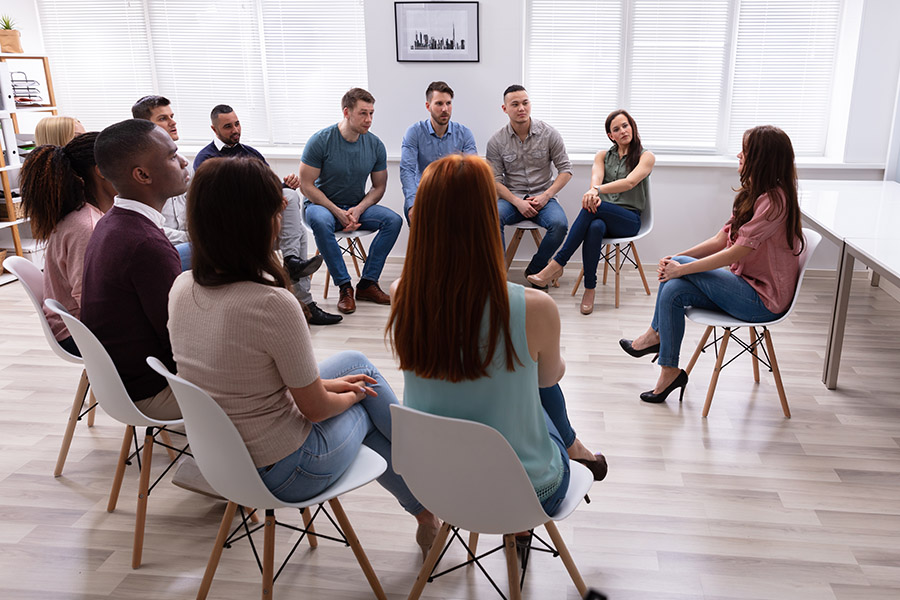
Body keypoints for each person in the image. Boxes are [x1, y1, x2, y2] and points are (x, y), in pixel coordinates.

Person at [167, 156, 441, 559]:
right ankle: (428, 496)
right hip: (285, 469)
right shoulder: (272, 304)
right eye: (275, 208)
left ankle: (427, 500)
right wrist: (353, 396)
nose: (282, 216)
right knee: (367, 399)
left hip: (221, 458)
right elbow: (314, 409)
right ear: (255, 221)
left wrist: (339, 386)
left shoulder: (181, 285)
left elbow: (257, 379)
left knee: (354, 364)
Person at [388, 154, 608, 521]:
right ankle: (572, 448)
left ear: (423, 218)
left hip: (434, 485)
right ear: (488, 219)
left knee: (519, 375)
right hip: (526, 491)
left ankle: (571, 447)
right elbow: (549, 379)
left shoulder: (401, 293)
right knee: (535, 382)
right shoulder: (534, 307)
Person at [620, 125, 805, 403]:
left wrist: (681, 267)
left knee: (679, 272)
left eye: (746, 150)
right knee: (672, 291)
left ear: (762, 157)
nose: (739, 155)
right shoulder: (753, 192)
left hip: (762, 302)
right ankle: (669, 371)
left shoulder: (775, 201)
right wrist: (676, 259)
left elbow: (735, 253)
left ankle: (653, 336)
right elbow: (722, 240)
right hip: (743, 286)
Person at [80, 119, 190, 419]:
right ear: (142, 174)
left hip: (121, 383)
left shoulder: (111, 222)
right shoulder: (145, 244)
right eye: (172, 156)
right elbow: (178, 340)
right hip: (153, 389)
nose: (184, 162)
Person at [193, 104, 340, 326]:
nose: (235, 130)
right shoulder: (207, 160)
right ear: (214, 130)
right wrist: (268, 203)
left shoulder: (251, 153)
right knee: (297, 231)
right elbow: (221, 204)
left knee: (291, 200)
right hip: (233, 233)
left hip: (262, 226)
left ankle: (293, 268)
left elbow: (267, 186)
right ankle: (303, 297)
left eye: (237, 123)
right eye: (228, 126)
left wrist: (282, 187)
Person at [528, 110, 655, 314]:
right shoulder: (603, 156)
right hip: (601, 214)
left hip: (629, 219)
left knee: (592, 208)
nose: (623, 131)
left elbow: (630, 182)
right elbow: (596, 177)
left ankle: (558, 262)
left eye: (625, 125)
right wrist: (592, 189)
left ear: (632, 126)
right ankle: (590, 289)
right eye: (616, 129)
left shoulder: (645, 156)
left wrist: (597, 190)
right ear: (610, 135)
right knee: (595, 226)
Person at [300, 88, 401, 315]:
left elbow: (379, 187)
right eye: (363, 113)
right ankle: (345, 287)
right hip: (321, 207)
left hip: (355, 207)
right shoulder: (320, 141)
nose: (369, 120)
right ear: (346, 112)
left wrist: (358, 210)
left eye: (371, 113)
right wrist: (337, 211)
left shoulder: (375, 145)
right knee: (320, 220)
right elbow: (306, 185)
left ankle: (367, 283)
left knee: (393, 221)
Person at [19, 132, 116, 356]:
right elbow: (90, 301)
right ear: (101, 171)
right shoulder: (87, 226)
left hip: (77, 324)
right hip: (77, 333)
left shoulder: (86, 215)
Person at [485, 85, 572, 288]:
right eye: (515, 104)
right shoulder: (496, 141)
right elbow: (494, 180)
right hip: (512, 199)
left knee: (560, 225)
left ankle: (536, 270)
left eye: (525, 103)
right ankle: (497, 276)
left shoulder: (549, 134)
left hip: (544, 197)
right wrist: (517, 202)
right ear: (505, 109)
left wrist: (546, 195)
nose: (521, 108)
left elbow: (566, 170)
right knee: (491, 217)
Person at [399, 80, 477, 225]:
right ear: (428, 106)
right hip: (424, 194)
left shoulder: (464, 133)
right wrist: (412, 204)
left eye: (448, 103)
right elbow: (407, 170)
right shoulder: (414, 132)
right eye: (439, 104)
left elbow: (472, 171)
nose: (445, 109)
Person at [131, 95, 192, 269]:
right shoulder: (140, 172)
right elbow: (150, 228)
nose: (172, 123)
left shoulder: (185, 164)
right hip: (160, 247)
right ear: (145, 127)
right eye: (163, 119)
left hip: (187, 241)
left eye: (172, 117)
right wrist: (192, 237)